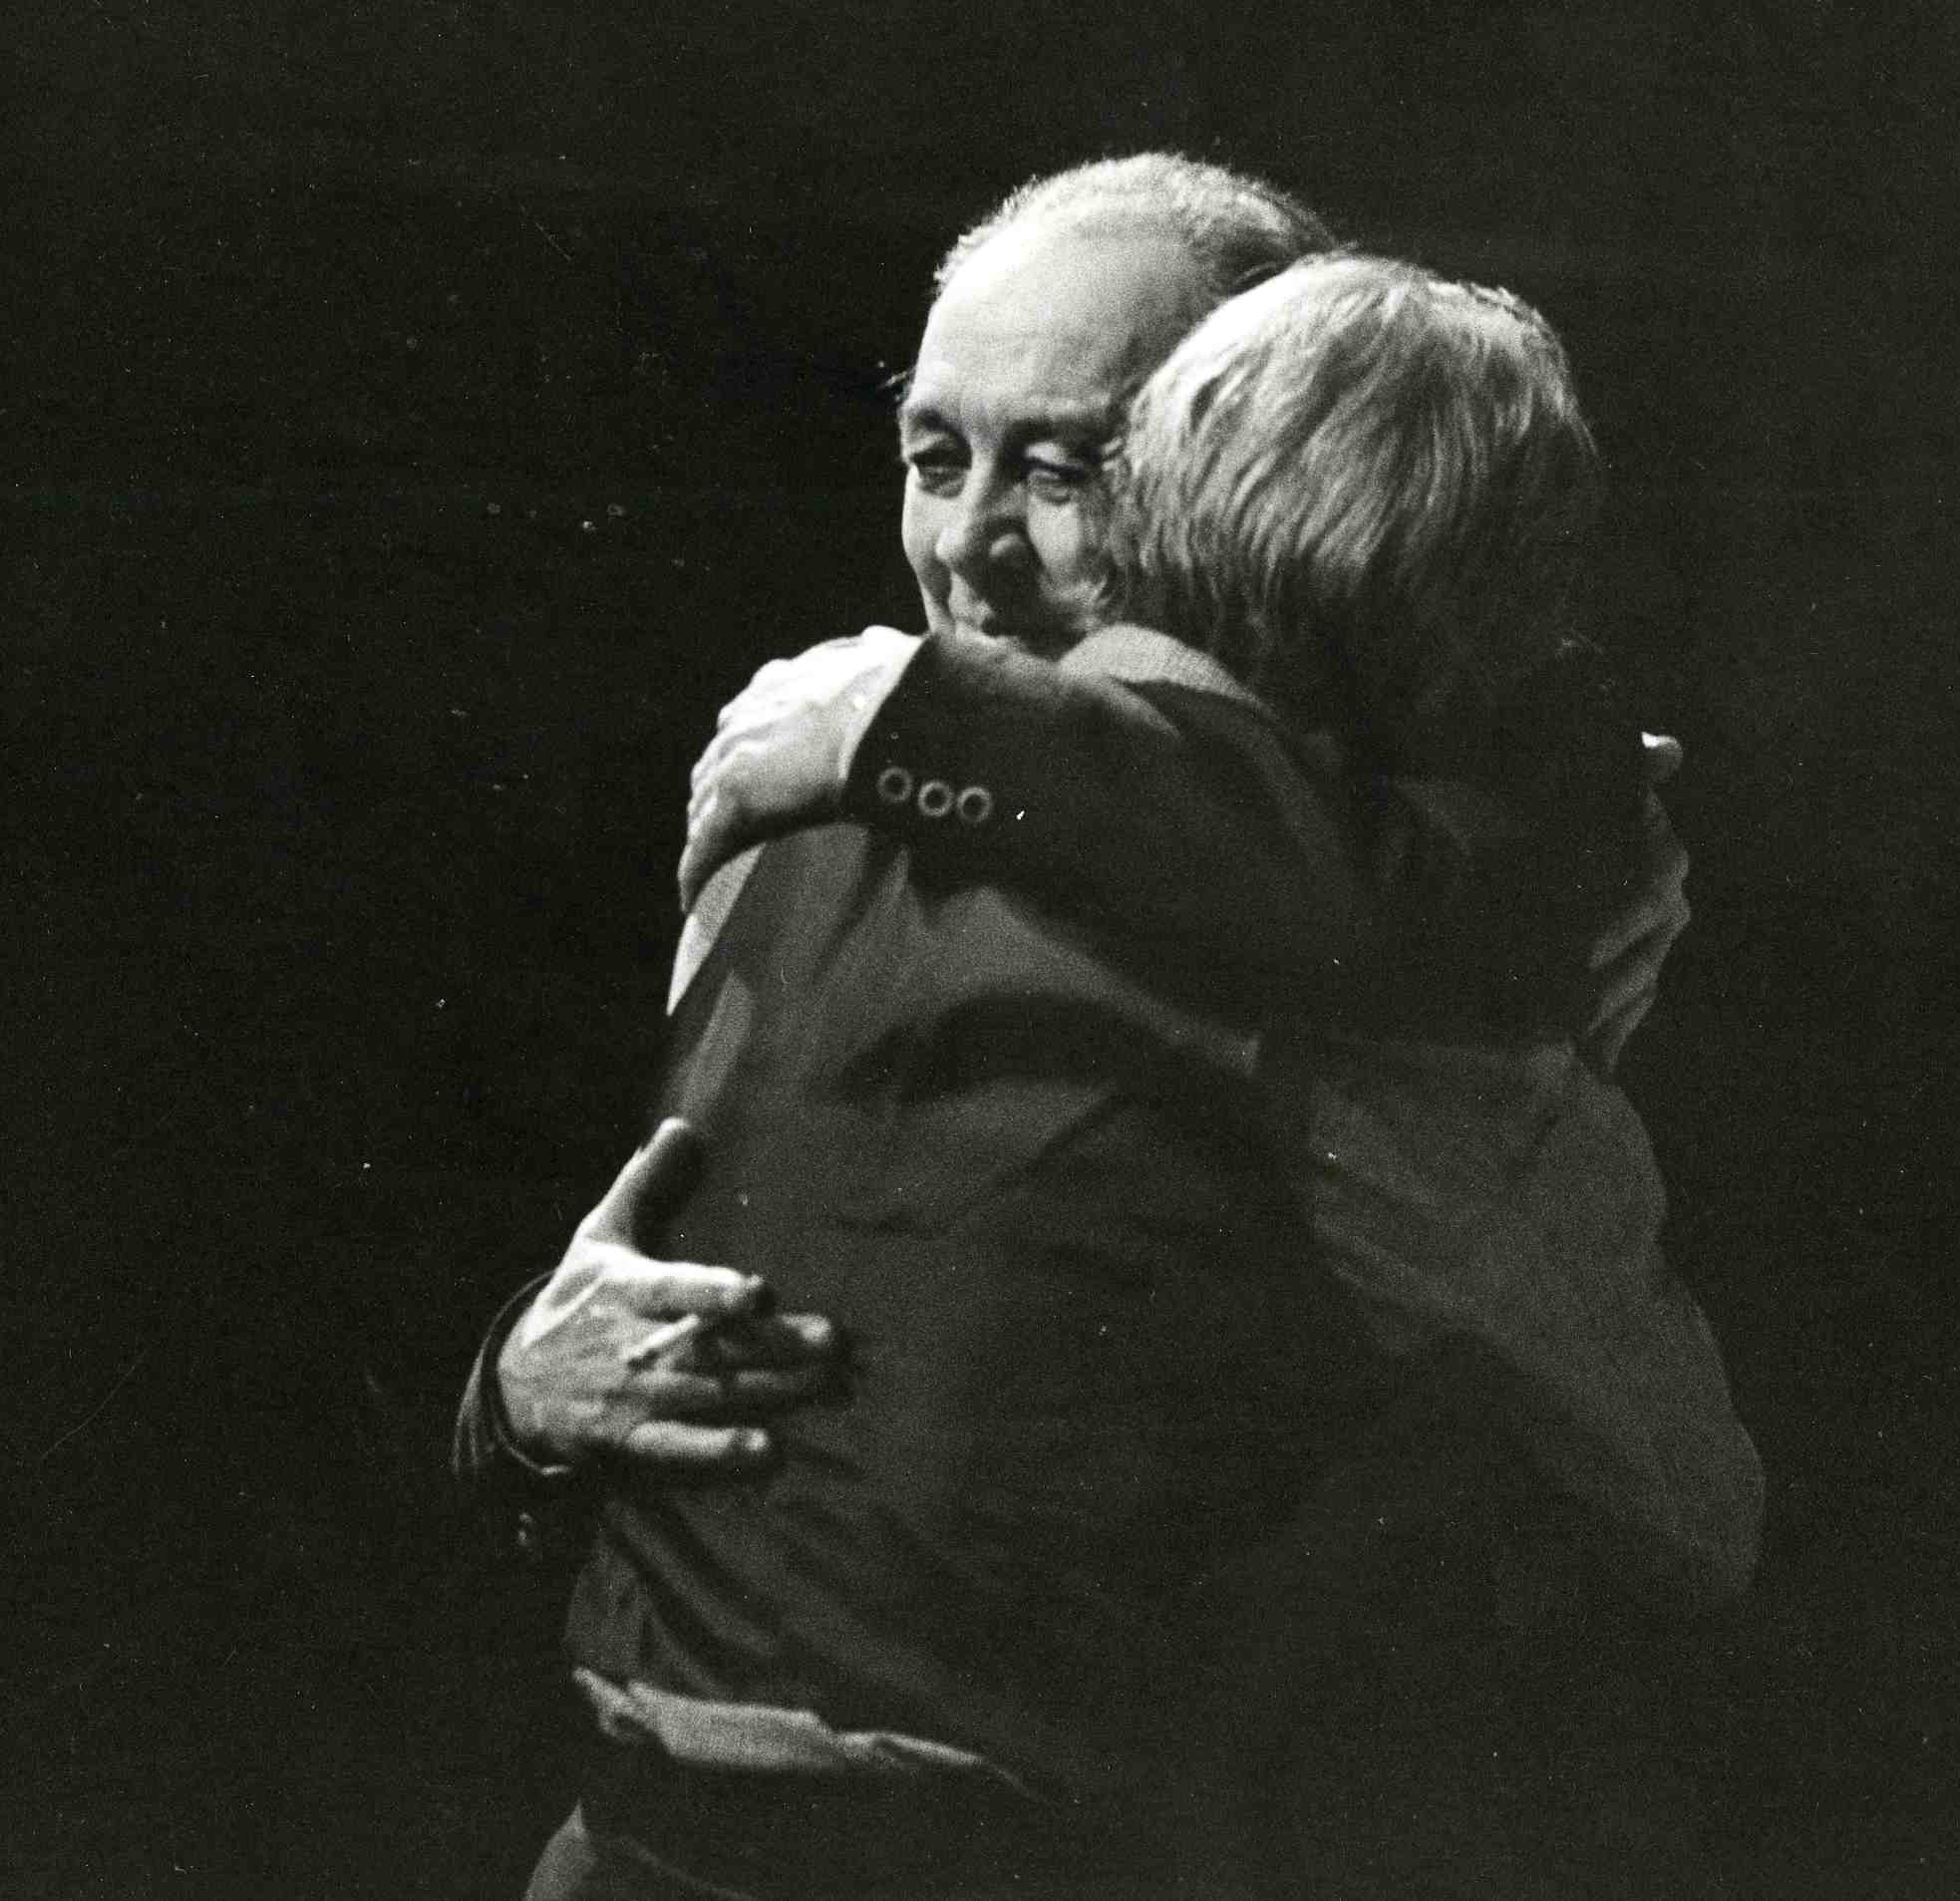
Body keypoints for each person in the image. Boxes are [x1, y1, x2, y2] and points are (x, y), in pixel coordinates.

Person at [458, 158, 1728, 1898]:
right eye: (935, 458)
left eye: (1063, 474)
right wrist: (521, 1391)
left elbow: (1670, 1497)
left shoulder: (1397, 927)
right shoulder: (802, 785)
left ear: (1258, 469)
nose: (968, 548)